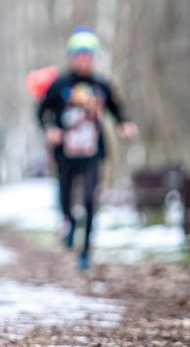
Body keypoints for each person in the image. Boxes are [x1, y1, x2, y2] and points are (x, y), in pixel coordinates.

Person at [36, 27, 138, 270]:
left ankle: (85, 251)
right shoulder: (60, 84)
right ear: (71, 57)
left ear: (93, 57)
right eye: (79, 55)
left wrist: (124, 124)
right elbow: (41, 112)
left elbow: (116, 109)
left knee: (91, 197)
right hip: (65, 151)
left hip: (93, 150)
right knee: (66, 194)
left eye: (88, 55)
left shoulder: (101, 85)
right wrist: (49, 128)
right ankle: (69, 222)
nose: (84, 60)